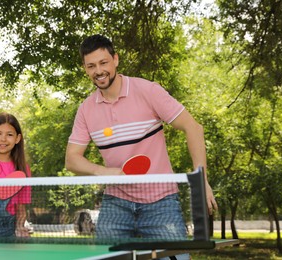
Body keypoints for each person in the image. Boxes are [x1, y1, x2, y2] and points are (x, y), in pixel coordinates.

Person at [65, 34, 217, 247]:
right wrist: (104, 171)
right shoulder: (86, 109)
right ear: (85, 68)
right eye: (91, 66)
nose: (98, 71)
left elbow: (193, 127)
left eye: (103, 63)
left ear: (115, 60)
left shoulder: (147, 90)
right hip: (116, 203)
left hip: (161, 201)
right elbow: (72, 159)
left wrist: (201, 181)